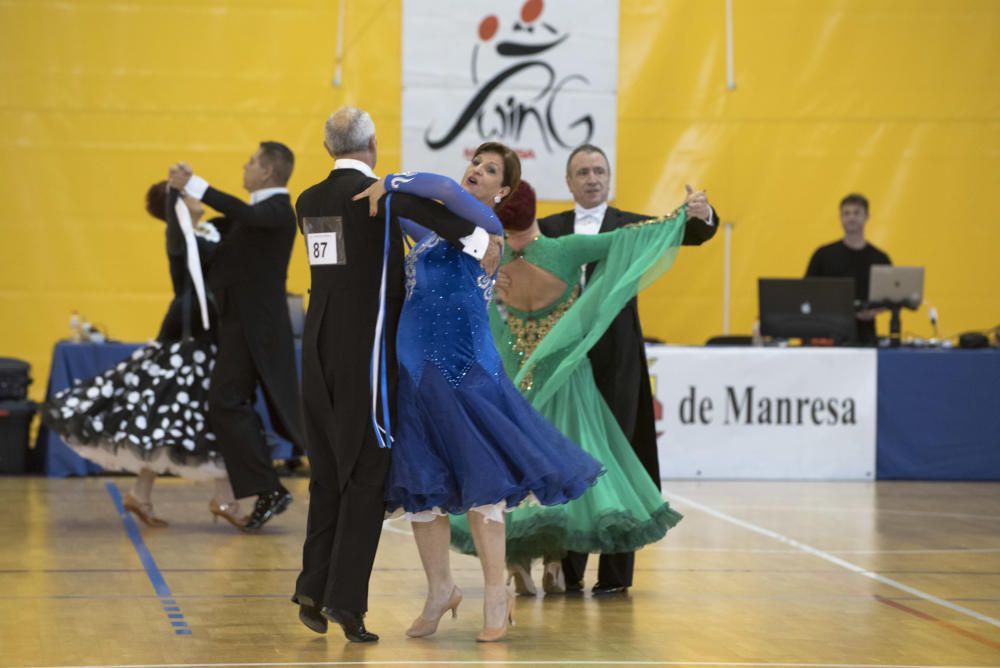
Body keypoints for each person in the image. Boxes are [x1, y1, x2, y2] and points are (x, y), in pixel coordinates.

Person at [355, 143, 603, 643]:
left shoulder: (485, 228)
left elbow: (438, 190)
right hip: (418, 379)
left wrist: (392, 181)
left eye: (490, 170)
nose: (477, 171)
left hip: (466, 377)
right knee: (421, 492)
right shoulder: (429, 235)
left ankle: (496, 593)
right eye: (476, 163)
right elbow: (396, 215)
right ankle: (439, 589)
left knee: (484, 491)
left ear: (503, 190)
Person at [290, 107, 499, 642]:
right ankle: (346, 603)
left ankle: (313, 590)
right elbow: (462, 228)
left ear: (327, 146)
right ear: (373, 146)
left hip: (315, 353)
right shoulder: (386, 199)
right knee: (365, 476)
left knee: (327, 472)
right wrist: (489, 248)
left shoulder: (307, 201)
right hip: (367, 357)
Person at [449, 180, 686, 594]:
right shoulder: (564, 250)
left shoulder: (492, 259)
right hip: (566, 377)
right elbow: (629, 239)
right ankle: (557, 562)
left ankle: (517, 562)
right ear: (535, 210)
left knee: (516, 464)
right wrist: (680, 216)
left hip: (514, 374)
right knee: (565, 464)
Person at [537, 143, 718, 595]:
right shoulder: (549, 228)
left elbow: (689, 234)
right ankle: (569, 569)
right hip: (565, 360)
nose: (592, 178)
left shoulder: (633, 225)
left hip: (616, 358)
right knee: (570, 457)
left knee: (617, 456)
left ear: (609, 178)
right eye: (583, 172)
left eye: (599, 170)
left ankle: (616, 575)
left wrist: (702, 213)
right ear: (568, 182)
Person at [41, 181, 243, 528]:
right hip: (189, 338)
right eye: (187, 195)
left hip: (195, 336)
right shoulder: (180, 236)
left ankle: (142, 494)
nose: (198, 198)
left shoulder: (207, 230)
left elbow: (240, 216)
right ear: (174, 205)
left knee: (166, 421)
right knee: (207, 415)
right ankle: (223, 497)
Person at [167, 143, 305, 531]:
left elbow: (244, 213)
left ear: (266, 172)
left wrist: (195, 185)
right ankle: (267, 488)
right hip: (240, 327)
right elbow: (223, 259)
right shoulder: (252, 217)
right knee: (226, 402)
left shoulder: (277, 210)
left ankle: (270, 485)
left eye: (250, 163)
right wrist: (186, 221)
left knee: (226, 402)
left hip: (257, 329)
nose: (244, 168)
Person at [805, 193, 892, 345]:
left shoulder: (879, 258)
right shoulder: (824, 254)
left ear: (866, 216)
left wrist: (875, 311)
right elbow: (806, 290)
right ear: (840, 217)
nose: (851, 217)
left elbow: (892, 295)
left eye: (857, 213)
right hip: (827, 333)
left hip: (866, 334)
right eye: (846, 213)